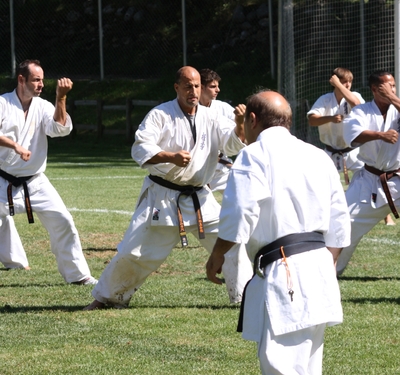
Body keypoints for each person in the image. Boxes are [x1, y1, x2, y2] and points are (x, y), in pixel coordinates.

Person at [206, 90, 351, 375]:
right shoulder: (317, 156)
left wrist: (218, 252)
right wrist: (322, 265)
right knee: (303, 368)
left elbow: (240, 211)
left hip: (284, 265)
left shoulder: (254, 154)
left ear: (252, 119)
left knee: (282, 368)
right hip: (319, 262)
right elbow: (340, 220)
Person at [84, 65, 253, 310]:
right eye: (187, 86)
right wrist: (169, 156)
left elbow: (231, 144)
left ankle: (246, 297)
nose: (193, 91)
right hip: (163, 197)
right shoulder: (160, 115)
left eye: (196, 86)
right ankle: (107, 298)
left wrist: (239, 125)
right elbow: (140, 147)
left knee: (232, 243)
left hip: (200, 197)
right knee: (135, 252)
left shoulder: (212, 116)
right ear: (177, 87)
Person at [0, 59, 97, 285]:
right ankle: (14, 261)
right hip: (2, 179)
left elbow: (60, 129)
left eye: (43, 80)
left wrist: (61, 97)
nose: (41, 84)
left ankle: (78, 276)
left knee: (63, 221)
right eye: (36, 80)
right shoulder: (3, 104)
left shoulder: (42, 106)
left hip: (35, 182)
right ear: (21, 80)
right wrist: (14, 145)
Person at [308, 67, 394, 226]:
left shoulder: (356, 96)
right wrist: (330, 118)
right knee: (320, 183)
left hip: (353, 152)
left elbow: (355, 104)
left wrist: (339, 86)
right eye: (343, 82)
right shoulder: (325, 99)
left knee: (373, 177)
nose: (348, 85)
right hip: (330, 151)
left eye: (350, 82)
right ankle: (319, 216)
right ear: (334, 82)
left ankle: (386, 216)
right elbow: (312, 120)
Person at [337, 70, 400, 274]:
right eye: (387, 87)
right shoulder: (361, 111)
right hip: (370, 180)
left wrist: (391, 97)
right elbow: (352, 136)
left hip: (398, 176)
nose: (392, 89)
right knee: (343, 225)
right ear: (375, 89)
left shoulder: (397, 107)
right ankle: (331, 270)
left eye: (394, 86)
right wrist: (380, 135)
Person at [199, 68, 236, 192]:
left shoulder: (222, 108)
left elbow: (242, 129)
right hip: (197, 167)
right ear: (201, 87)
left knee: (241, 192)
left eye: (217, 86)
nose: (218, 90)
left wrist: (242, 121)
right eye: (213, 86)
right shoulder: (190, 109)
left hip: (221, 166)